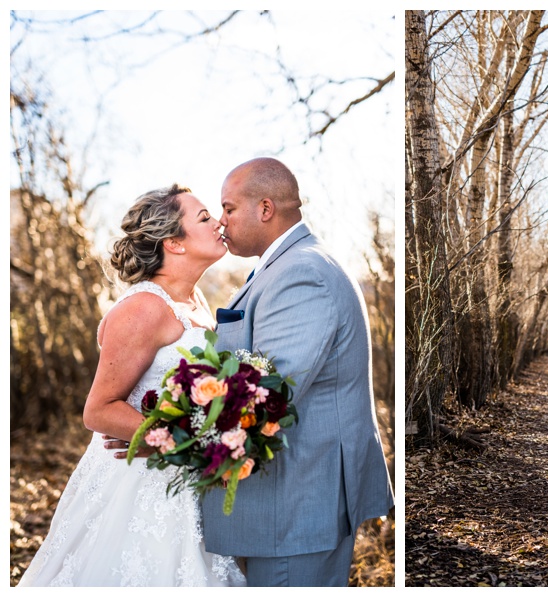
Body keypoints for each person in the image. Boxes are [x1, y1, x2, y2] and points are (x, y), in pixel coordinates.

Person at [18, 185, 246, 586]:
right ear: (175, 242)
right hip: (140, 485)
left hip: (189, 479)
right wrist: (183, 442)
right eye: (205, 217)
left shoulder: (196, 304)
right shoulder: (143, 308)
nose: (219, 223)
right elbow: (99, 409)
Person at [200, 157, 395, 587]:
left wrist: (166, 433)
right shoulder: (283, 266)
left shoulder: (301, 273)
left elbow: (266, 394)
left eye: (229, 208)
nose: (221, 220)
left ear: (265, 209)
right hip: (286, 504)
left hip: (297, 505)